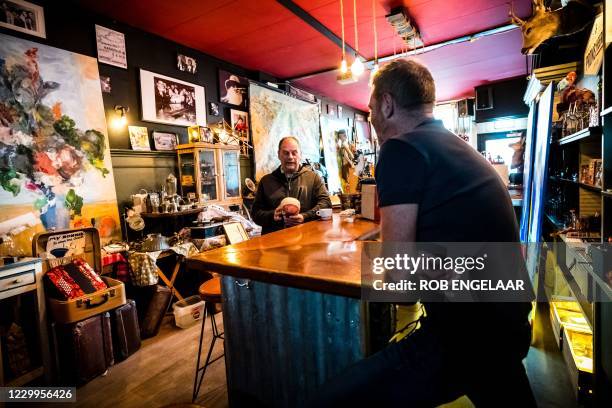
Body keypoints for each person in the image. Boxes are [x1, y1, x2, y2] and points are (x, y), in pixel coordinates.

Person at [309, 60, 535, 406]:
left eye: (370, 110)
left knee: (329, 401)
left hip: (465, 339)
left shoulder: (400, 149)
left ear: (387, 104)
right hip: (507, 327)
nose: (371, 120)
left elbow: (402, 289)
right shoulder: (456, 147)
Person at [252, 136, 332, 234]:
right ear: (279, 155)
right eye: (286, 153)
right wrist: (272, 215)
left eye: (294, 153)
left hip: (306, 239)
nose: (290, 157)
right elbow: (255, 213)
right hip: (274, 241)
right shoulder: (266, 181)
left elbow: (326, 203)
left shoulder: (313, 178)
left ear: (300, 155)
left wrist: (305, 216)